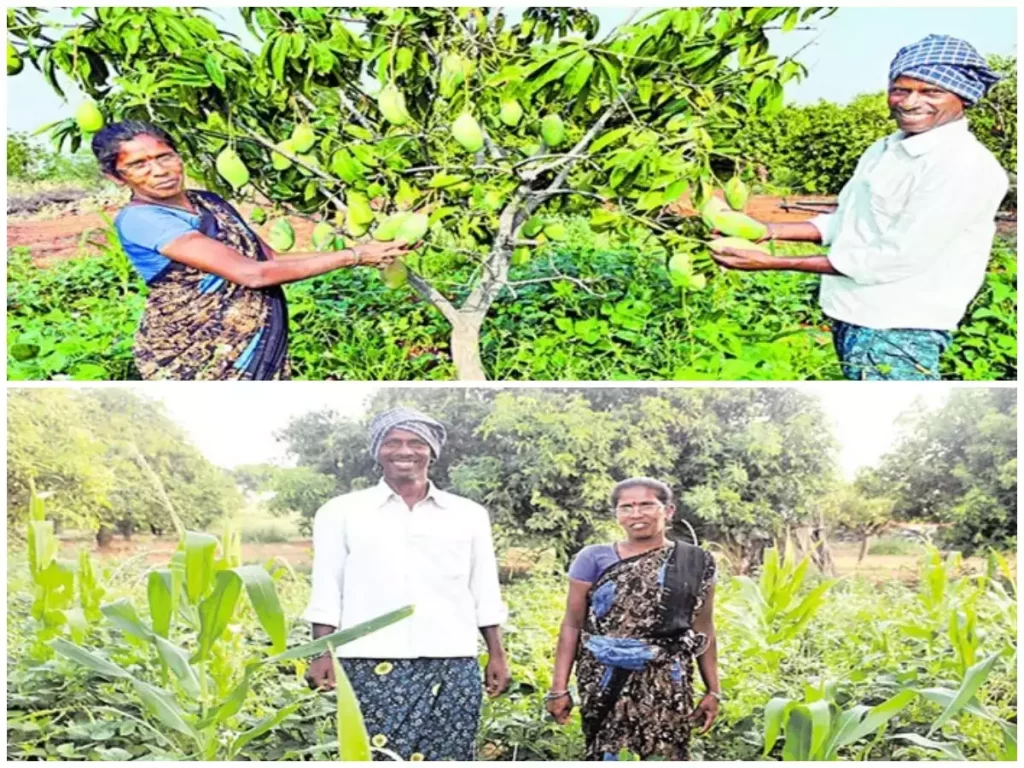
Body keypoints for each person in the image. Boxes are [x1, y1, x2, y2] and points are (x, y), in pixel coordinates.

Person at [710, 35, 1009, 380]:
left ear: (964, 98)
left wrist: (774, 263)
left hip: (899, 327)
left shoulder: (961, 165)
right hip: (853, 314)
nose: (910, 102)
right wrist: (767, 230)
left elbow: (896, 257)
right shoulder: (885, 149)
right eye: (901, 89)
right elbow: (851, 221)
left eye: (931, 92)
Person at [93, 121, 409, 380]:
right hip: (198, 353)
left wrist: (363, 252)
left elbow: (268, 259)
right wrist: (353, 256)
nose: (159, 171)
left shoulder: (208, 201)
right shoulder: (141, 219)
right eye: (138, 165)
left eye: (165, 157)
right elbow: (252, 274)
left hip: (251, 343)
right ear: (116, 177)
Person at [303, 407, 511, 761]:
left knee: (450, 755)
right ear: (377, 451)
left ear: (432, 451)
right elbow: (327, 586)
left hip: (451, 658)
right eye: (393, 442)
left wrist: (497, 653)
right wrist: (321, 652)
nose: (405, 451)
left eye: (416, 442)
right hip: (368, 659)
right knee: (371, 756)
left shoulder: (468, 514)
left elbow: (484, 588)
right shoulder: (340, 512)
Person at [546, 478, 720, 760]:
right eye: (626, 507)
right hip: (603, 677)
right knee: (608, 752)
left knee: (664, 753)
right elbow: (571, 624)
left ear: (669, 510)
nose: (636, 514)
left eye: (646, 505)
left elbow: (703, 626)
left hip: (668, 681)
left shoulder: (696, 562)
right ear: (617, 515)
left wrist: (714, 690)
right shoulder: (593, 558)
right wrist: (558, 689)